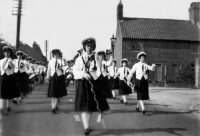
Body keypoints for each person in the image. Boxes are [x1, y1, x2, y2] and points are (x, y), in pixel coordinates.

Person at [73, 37, 109, 135]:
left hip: (94, 84)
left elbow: (99, 69)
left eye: (91, 46)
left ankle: (87, 124)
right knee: (84, 106)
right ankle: (86, 127)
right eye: (87, 46)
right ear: (84, 47)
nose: (89, 48)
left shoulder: (96, 58)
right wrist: (83, 74)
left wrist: (97, 74)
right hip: (83, 83)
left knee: (92, 106)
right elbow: (75, 71)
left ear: (93, 47)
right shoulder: (79, 59)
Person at [47, 49, 67, 114]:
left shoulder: (62, 60)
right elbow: (49, 69)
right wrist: (48, 76)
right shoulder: (50, 61)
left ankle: (56, 104)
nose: (56, 55)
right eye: (55, 54)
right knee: (53, 93)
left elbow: (65, 68)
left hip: (60, 77)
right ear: (53, 55)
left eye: (57, 54)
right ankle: (53, 107)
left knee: (58, 93)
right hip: (53, 77)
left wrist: (62, 68)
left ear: (59, 54)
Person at [0, 46, 19, 114]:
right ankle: (1, 108)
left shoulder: (12, 61)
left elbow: (15, 68)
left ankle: (8, 106)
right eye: (5, 52)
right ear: (3, 53)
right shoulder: (1, 61)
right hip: (3, 77)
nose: (7, 54)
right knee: (2, 92)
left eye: (8, 52)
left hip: (10, 77)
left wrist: (11, 64)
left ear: (10, 53)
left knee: (9, 93)